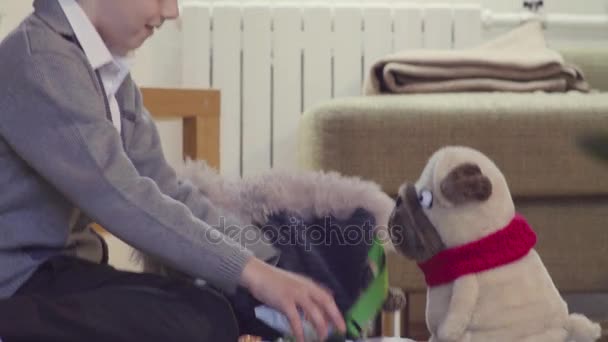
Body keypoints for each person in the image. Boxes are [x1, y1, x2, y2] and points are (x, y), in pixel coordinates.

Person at [0, 1, 346, 341]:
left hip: (61, 274)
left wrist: (274, 262)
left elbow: (165, 188)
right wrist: (252, 273)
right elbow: (122, 197)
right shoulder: (40, 61)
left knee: (212, 307)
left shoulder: (102, 70)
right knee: (199, 322)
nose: (172, 12)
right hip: (16, 283)